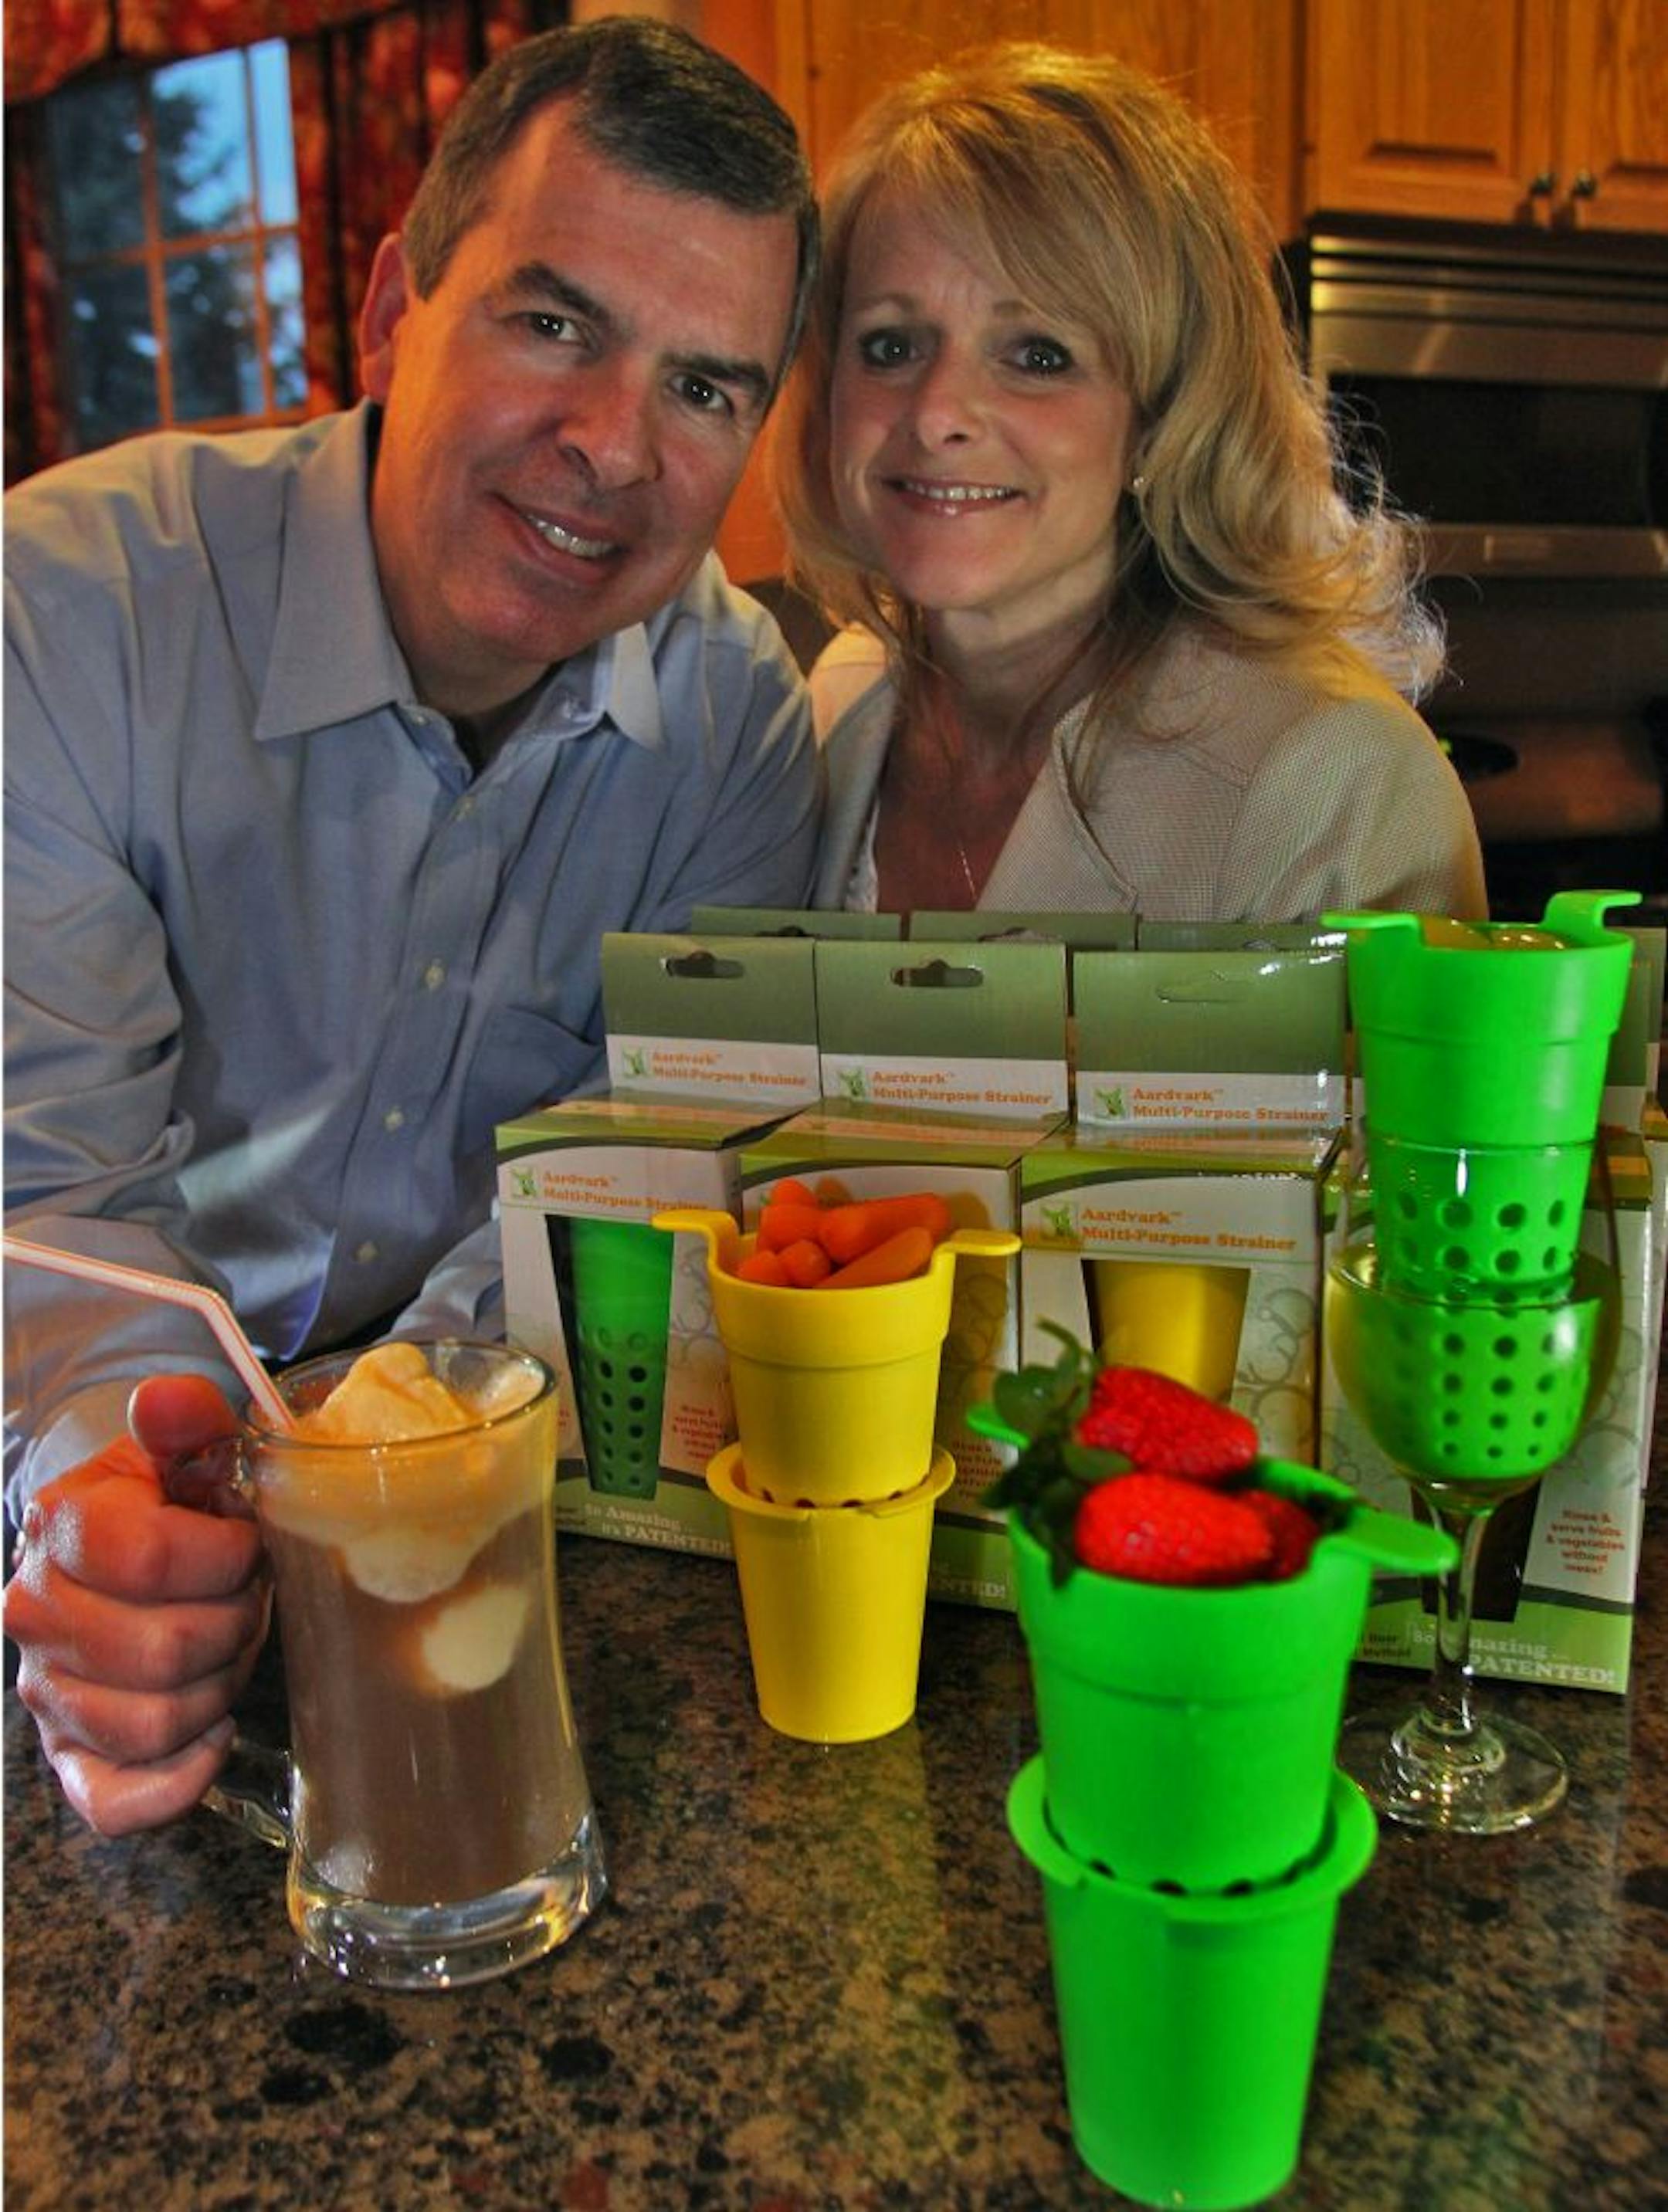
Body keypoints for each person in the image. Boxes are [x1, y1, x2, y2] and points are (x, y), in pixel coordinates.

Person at [2, 17, 822, 1833]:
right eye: (554, 322)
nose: (611, 445)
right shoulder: (67, 617)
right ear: (390, 314)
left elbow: (624, 1171)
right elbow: (43, 1205)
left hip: (457, 1519)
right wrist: (117, 1505)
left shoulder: (736, 733)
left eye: (703, 386)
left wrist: (385, 1448)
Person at [770, 42, 1487, 921]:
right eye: (890, 345)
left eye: (1038, 355)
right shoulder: (836, 710)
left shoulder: (1333, 780)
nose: (935, 413)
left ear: (1165, 413)